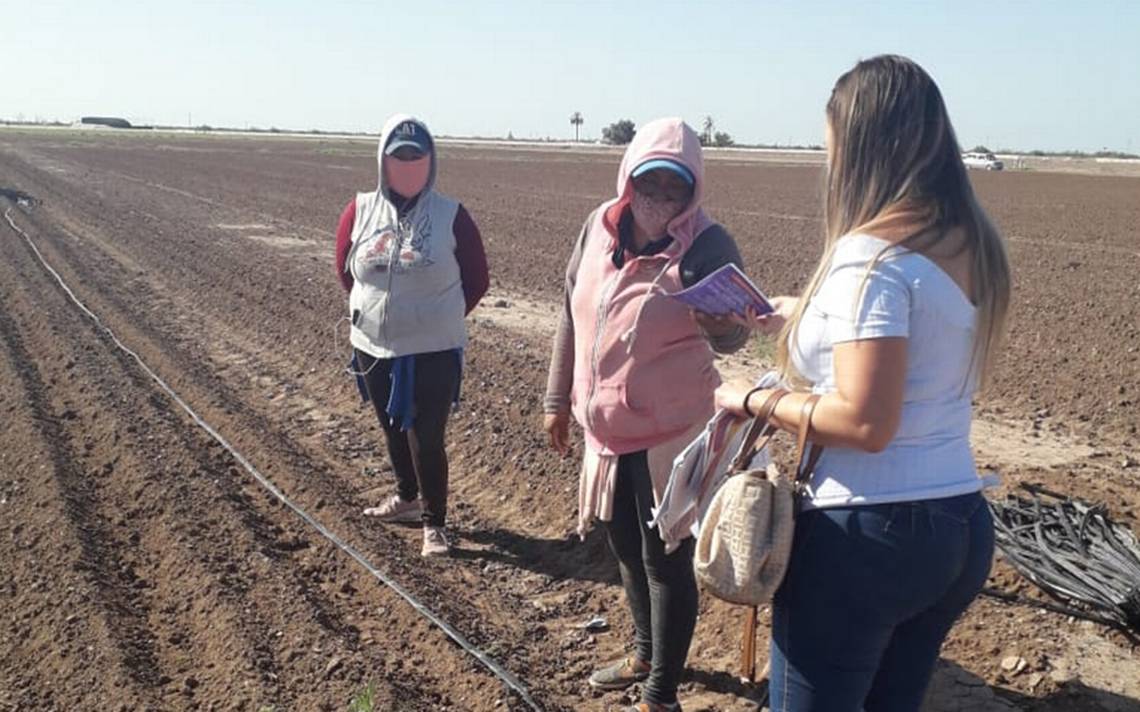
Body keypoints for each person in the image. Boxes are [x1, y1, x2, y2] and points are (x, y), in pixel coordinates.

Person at [716, 55, 1011, 712]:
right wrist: (801, 312)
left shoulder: (869, 258)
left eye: (833, 151)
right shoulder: (970, 243)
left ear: (864, 152)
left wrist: (751, 397)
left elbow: (865, 423)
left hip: (867, 534)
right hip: (957, 525)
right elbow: (917, 330)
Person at [543, 117, 749, 712]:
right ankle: (642, 651)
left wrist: (721, 325)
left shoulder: (708, 244)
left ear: (693, 191)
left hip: (671, 433)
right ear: (628, 179)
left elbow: (734, 335)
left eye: (675, 188)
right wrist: (558, 400)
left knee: (664, 559)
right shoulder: (597, 228)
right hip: (606, 431)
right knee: (624, 549)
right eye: (650, 183)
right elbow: (570, 310)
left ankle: (661, 694)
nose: (661, 199)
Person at [335, 114, 489, 558]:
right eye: (398, 157)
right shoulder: (360, 210)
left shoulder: (451, 216)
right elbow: (346, 269)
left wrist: (436, 319)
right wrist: (372, 313)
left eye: (415, 158)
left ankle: (434, 524)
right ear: (382, 161)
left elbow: (477, 280)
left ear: (430, 162)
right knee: (389, 423)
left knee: (426, 433)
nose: (406, 166)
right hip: (373, 344)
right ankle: (406, 497)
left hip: (433, 349)